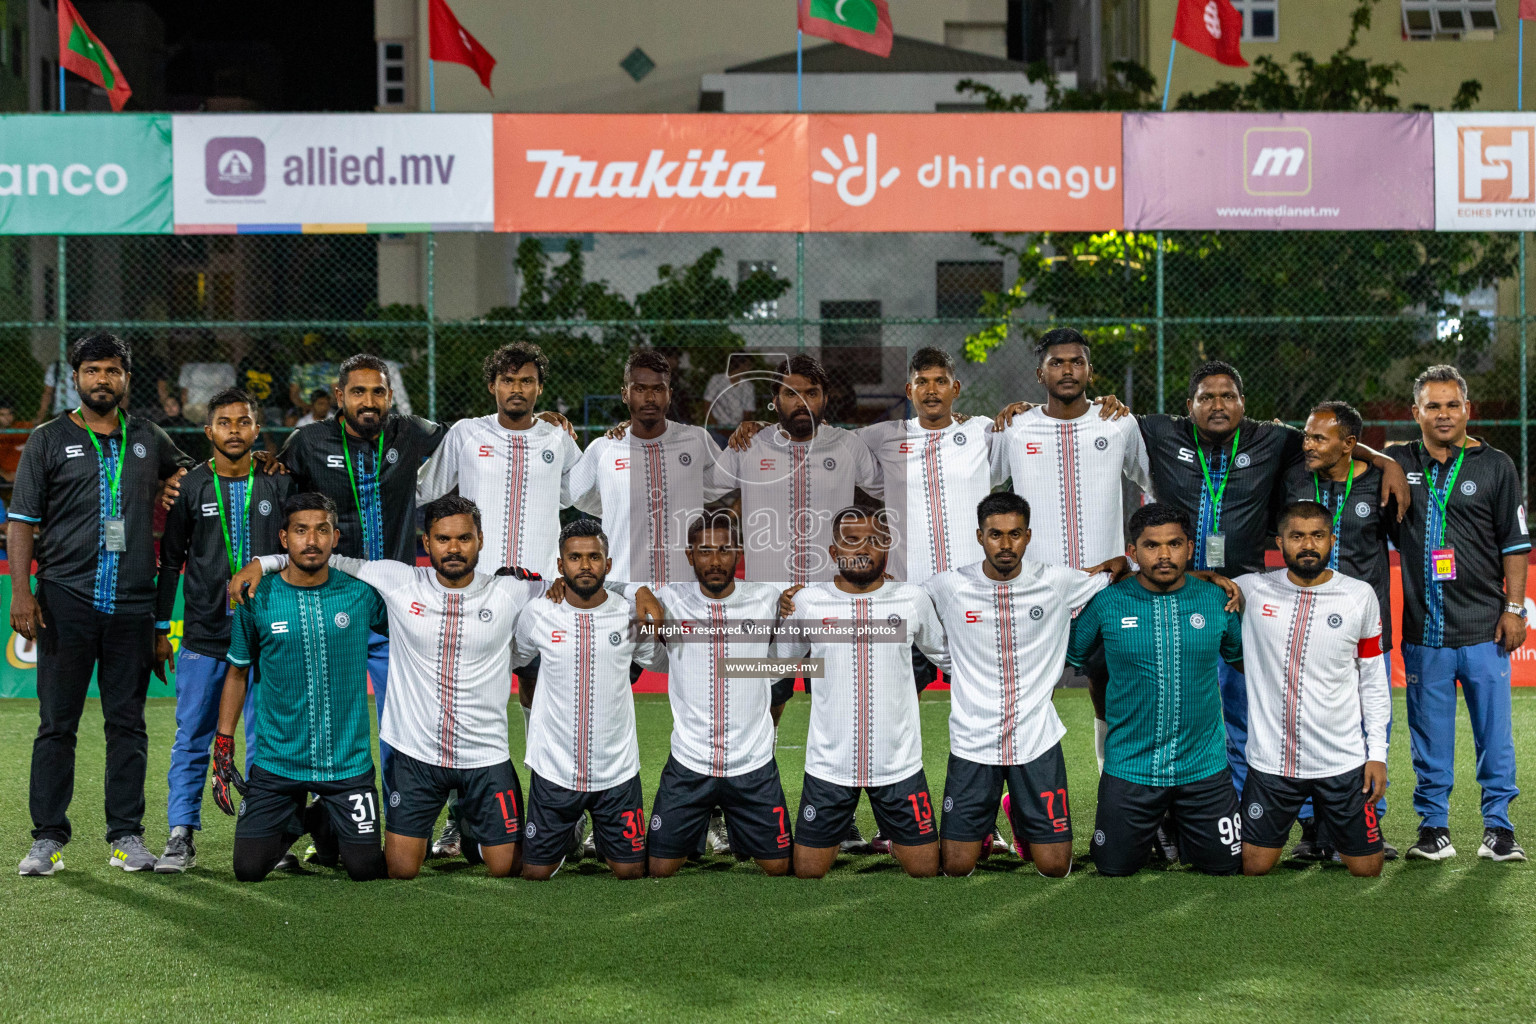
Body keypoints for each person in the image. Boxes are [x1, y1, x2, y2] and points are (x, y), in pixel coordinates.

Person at [230, 496, 634, 880]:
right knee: (400, 869)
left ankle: (482, 837)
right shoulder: (399, 580)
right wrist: (263, 563)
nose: (453, 548)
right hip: (417, 754)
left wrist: (636, 590)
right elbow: (322, 555)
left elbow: (587, 581)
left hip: (484, 754)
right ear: (427, 543)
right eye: (443, 539)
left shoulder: (512, 590)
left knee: (506, 867)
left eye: (464, 538)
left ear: (480, 541)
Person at [12, 333, 193, 877]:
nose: (102, 380)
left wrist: (172, 482)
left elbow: (191, 474)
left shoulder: (148, 436)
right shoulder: (46, 440)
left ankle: (126, 836)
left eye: (113, 370)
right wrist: (21, 592)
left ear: (126, 379)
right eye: (93, 370)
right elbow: (22, 522)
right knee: (56, 724)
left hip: (133, 606)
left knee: (128, 724)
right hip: (66, 598)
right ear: (76, 378)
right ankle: (47, 838)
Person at [276, 353, 447, 809]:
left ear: (390, 396)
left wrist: (539, 420)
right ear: (339, 397)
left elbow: (466, 436)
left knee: (403, 722)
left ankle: (400, 817)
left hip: (396, 610)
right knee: (325, 721)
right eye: (358, 392)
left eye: (377, 392)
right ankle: (322, 823)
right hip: (334, 604)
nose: (368, 401)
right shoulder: (308, 441)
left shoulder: (410, 432)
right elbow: (274, 496)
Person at [989, 328, 1153, 777]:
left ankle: (1118, 796)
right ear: (1039, 373)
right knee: (1020, 698)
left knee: (1113, 693)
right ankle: (1013, 808)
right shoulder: (1015, 427)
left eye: (1077, 362)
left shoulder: (1117, 422)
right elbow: (976, 491)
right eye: (1057, 363)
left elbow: (1153, 490)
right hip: (1035, 588)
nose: (1068, 370)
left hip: (1106, 588)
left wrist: (1136, 559)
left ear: (1090, 370)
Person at [925, 492, 1115, 878]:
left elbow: (1129, 573)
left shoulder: (1056, 581)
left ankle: (1018, 815)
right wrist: (957, 666)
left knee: (1055, 868)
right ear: (980, 536)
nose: (1005, 544)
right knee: (956, 868)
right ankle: (978, 829)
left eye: (1015, 534)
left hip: (1036, 738)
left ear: (1028, 536)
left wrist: (1120, 562)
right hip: (972, 740)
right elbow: (903, 607)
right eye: (995, 534)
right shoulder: (947, 586)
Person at [1389, 365, 1530, 862]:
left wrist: (1515, 609)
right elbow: (1342, 450)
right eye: (1433, 405)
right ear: (1416, 413)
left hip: (1484, 628)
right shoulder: (1397, 460)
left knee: (1495, 733)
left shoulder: (1497, 466)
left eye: (1452, 405)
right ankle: (1433, 829)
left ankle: (1499, 828)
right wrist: (1378, 459)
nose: (1443, 414)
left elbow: (1515, 544)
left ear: (1467, 409)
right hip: (1424, 630)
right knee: (1429, 737)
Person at [211, 493, 389, 882]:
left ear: (335, 538)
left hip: (347, 765)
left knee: (366, 870)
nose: (312, 541)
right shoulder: (257, 598)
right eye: (301, 531)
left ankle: (323, 816)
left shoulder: (361, 595)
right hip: (277, 765)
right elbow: (237, 673)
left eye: (322, 530)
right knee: (248, 869)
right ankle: (297, 815)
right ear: (283, 538)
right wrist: (223, 744)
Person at [151, 388, 292, 873]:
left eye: (244, 421)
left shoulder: (278, 484)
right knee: (193, 735)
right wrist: (159, 626)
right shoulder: (190, 486)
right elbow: (170, 562)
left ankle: (267, 835)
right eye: (225, 422)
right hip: (205, 638)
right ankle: (180, 834)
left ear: (257, 430)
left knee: (268, 737)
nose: (235, 430)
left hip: (267, 639)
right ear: (208, 432)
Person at [1066, 503, 1246, 877]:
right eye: (1151, 546)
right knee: (1113, 868)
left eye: (1174, 544)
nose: (1164, 555)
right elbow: (1067, 653)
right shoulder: (1107, 602)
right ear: (1132, 553)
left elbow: (1243, 659)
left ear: (1190, 548)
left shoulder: (1217, 600)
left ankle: (1180, 829)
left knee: (1225, 865)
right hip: (1131, 767)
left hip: (1204, 768)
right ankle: (1158, 828)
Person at [776, 503, 949, 879]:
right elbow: (780, 665)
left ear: (887, 546)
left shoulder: (911, 599)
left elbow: (950, 658)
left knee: (926, 870)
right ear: (834, 552)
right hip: (829, 766)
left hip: (898, 765)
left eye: (874, 540)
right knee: (807, 872)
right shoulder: (808, 601)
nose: (863, 549)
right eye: (851, 541)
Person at [1233, 500, 1389, 878]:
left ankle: (1333, 833)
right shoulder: (1251, 590)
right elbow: (1195, 583)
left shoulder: (1359, 596)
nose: (1308, 545)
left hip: (1343, 760)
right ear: (1280, 543)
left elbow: (1373, 680)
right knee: (1254, 866)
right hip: (1272, 763)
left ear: (1332, 540)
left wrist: (1378, 754)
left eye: (1318, 536)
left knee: (1368, 868)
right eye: (1297, 536)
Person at [512, 519, 666, 881]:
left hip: (616, 770)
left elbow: (661, 662)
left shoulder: (629, 615)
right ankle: (571, 826)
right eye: (575, 557)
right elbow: (513, 659)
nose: (585, 565)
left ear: (608, 565)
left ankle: (584, 824)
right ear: (560, 565)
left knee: (630, 872)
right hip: (554, 769)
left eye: (594, 557)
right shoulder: (539, 613)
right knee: (535, 874)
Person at [641, 511, 793, 877]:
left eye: (724, 550)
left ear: (738, 552)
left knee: (781, 866)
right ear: (689, 555)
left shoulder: (766, 599)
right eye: (704, 550)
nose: (715, 560)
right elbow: (614, 589)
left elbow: (781, 659)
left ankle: (737, 830)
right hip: (690, 762)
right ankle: (702, 828)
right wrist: (641, 591)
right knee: (659, 869)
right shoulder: (669, 600)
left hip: (752, 764)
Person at [1283, 401, 1397, 860]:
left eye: (1318, 438)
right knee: (1307, 722)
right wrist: (1383, 455)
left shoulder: (1379, 482)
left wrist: (1386, 462)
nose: (1307, 444)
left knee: (1372, 719)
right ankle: (1313, 830)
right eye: (1306, 436)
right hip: (1306, 625)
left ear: (1349, 445)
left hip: (1364, 624)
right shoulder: (1292, 476)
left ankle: (1369, 821)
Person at [572, 349, 733, 586]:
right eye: (639, 389)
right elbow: (578, 495)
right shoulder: (603, 448)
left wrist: (758, 431)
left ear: (669, 394)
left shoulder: (695, 440)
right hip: (624, 589)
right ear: (625, 394)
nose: (649, 398)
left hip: (685, 589)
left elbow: (724, 479)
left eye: (658, 389)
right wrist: (621, 506)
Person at [0, 398, 35, 484]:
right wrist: (5, 474)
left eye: (10, 414)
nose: (7, 418)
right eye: (2, 415)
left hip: (29, 474)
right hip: (6, 476)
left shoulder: (25, 428)